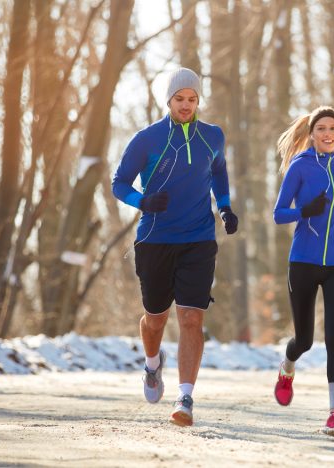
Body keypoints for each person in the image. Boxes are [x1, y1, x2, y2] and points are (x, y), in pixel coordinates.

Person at [112, 67, 238, 427]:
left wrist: (225, 206)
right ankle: (153, 365)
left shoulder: (212, 135)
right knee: (155, 319)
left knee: (192, 317)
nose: (186, 105)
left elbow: (218, 171)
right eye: (180, 99)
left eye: (192, 99)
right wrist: (143, 202)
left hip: (198, 238)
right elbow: (119, 183)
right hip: (155, 239)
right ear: (168, 100)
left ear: (199, 101)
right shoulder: (147, 139)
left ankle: (185, 398)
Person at [272, 106, 334, 439]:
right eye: (321, 128)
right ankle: (287, 368)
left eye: (333, 128)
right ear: (312, 134)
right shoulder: (299, 167)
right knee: (305, 340)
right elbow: (278, 214)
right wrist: (304, 211)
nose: (328, 134)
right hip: (303, 261)